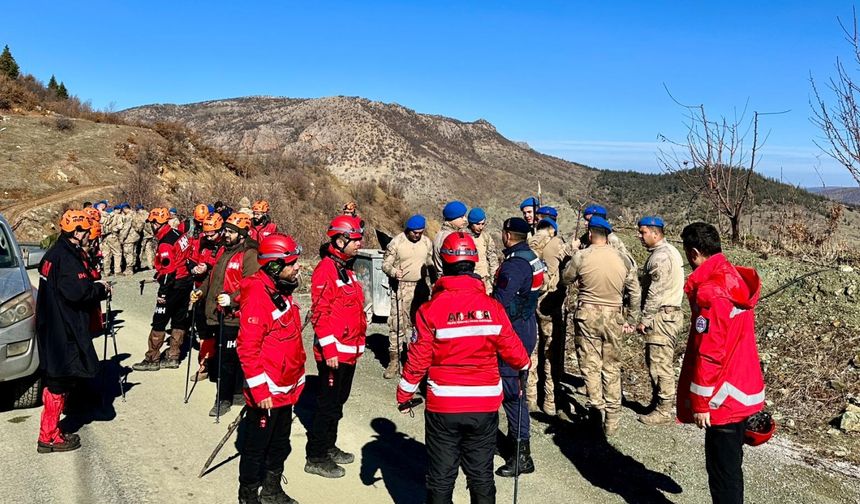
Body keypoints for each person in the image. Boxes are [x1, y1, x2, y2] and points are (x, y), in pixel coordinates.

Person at [397, 231, 530, 504]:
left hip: (444, 407)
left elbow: (419, 357)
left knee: (441, 477)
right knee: (481, 475)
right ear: (474, 265)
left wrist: (405, 393)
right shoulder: (492, 307)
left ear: (442, 265)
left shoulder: (430, 309)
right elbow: (516, 354)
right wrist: (524, 365)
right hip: (483, 406)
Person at [677, 222, 765, 504]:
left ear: (693, 253)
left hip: (722, 397)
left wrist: (701, 403)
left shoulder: (712, 293)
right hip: (740, 386)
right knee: (731, 467)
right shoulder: (733, 279)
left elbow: (710, 352)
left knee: (722, 473)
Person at [235, 233, 305, 504]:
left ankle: (272, 490)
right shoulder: (257, 297)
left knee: (280, 442)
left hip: (285, 387)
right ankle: (248, 494)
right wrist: (260, 389)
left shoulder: (281, 290)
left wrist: (297, 378)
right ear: (274, 266)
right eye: (292, 262)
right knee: (256, 447)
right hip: (267, 391)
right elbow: (247, 349)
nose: (297, 266)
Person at [35, 210, 111, 453]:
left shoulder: (55, 253)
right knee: (58, 381)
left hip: (52, 324)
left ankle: (52, 429)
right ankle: (48, 436)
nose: (88, 234)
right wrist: (99, 289)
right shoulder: (66, 258)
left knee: (56, 379)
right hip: (63, 328)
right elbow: (78, 292)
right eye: (86, 231)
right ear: (77, 232)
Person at [562, 216, 640, 436]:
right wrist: (632, 319)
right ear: (608, 235)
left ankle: (596, 410)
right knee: (612, 367)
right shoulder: (623, 258)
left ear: (590, 234)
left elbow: (565, 279)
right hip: (614, 316)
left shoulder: (582, 256)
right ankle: (612, 419)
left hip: (587, 315)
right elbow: (634, 292)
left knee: (590, 364)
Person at [305, 215, 367, 479]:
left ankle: (329, 446)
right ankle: (316, 456)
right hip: (334, 354)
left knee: (338, 403)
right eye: (355, 240)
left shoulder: (346, 268)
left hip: (348, 351)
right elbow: (320, 313)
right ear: (340, 240)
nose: (359, 245)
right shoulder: (326, 269)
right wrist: (329, 350)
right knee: (327, 405)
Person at [493, 217, 545, 477]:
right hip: (526, 326)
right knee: (512, 389)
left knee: (513, 394)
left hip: (513, 332)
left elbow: (500, 303)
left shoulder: (515, 264)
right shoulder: (532, 257)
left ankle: (521, 456)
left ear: (507, 235)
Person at [193, 213, 259, 416]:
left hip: (236, 314)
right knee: (228, 356)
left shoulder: (249, 254)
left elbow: (253, 284)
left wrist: (233, 299)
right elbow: (214, 277)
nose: (226, 234)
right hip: (220, 311)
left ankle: (224, 398)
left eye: (231, 232)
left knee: (229, 358)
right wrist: (201, 291)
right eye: (227, 230)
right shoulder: (225, 250)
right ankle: (232, 393)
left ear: (241, 234)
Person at [635, 216, 685, 425]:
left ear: (655, 233)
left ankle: (664, 409)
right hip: (666, 314)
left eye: (643, 232)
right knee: (655, 360)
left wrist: (644, 319)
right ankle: (658, 402)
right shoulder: (666, 252)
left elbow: (656, 292)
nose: (639, 236)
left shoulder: (661, 258)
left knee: (659, 364)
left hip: (662, 316)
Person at [132, 207, 194, 371]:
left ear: (155, 223)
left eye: (152, 222)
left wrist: (163, 293)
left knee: (159, 321)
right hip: (186, 281)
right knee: (179, 319)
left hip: (174, 285)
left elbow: (168, 271)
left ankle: (152, 357)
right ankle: (173, 356)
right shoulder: (178, 234)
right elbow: (187, 255)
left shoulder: (165, 243)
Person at [380, 214, 434, 379]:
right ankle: (394, 360)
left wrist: (434, 280)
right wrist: (394, 272)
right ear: (408, 230)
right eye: (414, 233)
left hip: (421, 287)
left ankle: (415, 359)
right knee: (397, 324)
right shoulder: (397, 242)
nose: (417, 235)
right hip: (402, 287)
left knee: (419, 325)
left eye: (420, 232)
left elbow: (430, 262)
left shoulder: (426, 242)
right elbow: (385, 264)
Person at [527, 212, 566, 415]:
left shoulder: (529, 243)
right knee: (551, 350)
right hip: (550, 302)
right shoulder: (556, 244)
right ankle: (549, 401)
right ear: (552, 229)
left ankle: (530, 397)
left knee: (532, 350)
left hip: (530, 299)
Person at [188, 212, 225, 382]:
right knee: (203, 332)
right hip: (199, 289)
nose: (209, 237)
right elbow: (191, 259)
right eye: (207, 233)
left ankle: (219, 367)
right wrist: (195, 268)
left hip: (217, 293)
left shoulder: (225, 245)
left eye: (213, 234)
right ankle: (204, 365)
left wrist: (208, 268)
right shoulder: (201, 241)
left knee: (219, 332)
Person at [467, 208, 499, 295]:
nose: (481, 227)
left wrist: (494, 278)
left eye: (483, 224)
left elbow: (492, 258)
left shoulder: (486, 237)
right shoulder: (464, 238)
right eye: (477, 224)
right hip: (471, 281)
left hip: (486, 280)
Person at [432, 201, 468, 277]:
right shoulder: (449, 237)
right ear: (453, 218)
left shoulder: (441, 234)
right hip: (451, 279)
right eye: (462, 217)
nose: (465, 220)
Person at [101, 205, 123, 276]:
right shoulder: (117, 216)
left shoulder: (103, 216)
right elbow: (120, 225)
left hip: (104, 237)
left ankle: (106, 271)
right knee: (117, 253)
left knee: (106, 254)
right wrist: (115, 229)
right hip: (113, 236)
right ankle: (117, 271)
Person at [120, 203, 139, 275]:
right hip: (136, 236)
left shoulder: (128, 216)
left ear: (124, 209)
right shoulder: (135, 214)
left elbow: (126, 228)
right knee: (133, 252)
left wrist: (122, 238)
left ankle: (129, 270)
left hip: (129, 237)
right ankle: (133, 267)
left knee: (128, 253)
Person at [136, 204, 155, 271]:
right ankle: (150, 265)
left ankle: (138, 265)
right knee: (149, 251)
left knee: (140, 251)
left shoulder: (139, 215)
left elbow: (141, 226)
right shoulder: (149, 214)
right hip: (150, 235)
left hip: (143, 235)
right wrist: (152, 233)